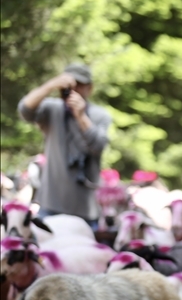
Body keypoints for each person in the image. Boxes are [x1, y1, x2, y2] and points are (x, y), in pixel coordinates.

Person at [17, 64, 112, 227]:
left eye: (79, 85)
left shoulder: (100, 115)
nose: (73, 89)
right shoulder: (52, 108)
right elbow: (25, 110)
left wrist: (81, 116)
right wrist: (50, 85)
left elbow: (98, 145)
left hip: (85, 209)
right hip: (50, 204)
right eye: (70, 84)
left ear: (89, 88)